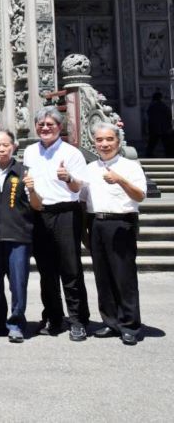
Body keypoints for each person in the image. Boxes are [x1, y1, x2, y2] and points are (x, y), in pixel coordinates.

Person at [22, 106, 91, 341]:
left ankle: (78, 319)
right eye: (41, 124)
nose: (45, 128)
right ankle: (53, 316)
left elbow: (79, 188)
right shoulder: (30, 151)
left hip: (66, 212)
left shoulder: (72, 153)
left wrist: (68, 178)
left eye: (50, 124)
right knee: (46, 270)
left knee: (70, 269)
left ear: (59, 128)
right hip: (40, 213)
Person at [85, 123, 147, 345]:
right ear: (94, 143)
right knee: (103, 276)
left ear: (118, 142)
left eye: (109, 139)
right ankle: (111, 322)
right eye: (100, 140)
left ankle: (130, 325)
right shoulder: (90, 168)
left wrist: (120, 180)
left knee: (124, 276)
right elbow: (83, 198)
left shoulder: (130, 166)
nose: (104, 144)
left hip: (121, 223)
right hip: (96, 223)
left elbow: (140, 195)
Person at [0, 130, 40, 343]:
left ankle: (17, 322)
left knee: (18, 283)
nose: (1, 149)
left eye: (5, 145)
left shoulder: (25, 172)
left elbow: (38, 205)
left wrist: (33, 190)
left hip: (18, 236)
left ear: (14, 146)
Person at [145, 92, 171, 157]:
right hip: (163, 127)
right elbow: (169, 115)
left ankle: (149, 154)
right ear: (160, 98)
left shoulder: (151, 106)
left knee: (152, 142)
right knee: (166, 143)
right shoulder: (163, 105)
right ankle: (169, 154)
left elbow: (148, 116)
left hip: (154, 128)